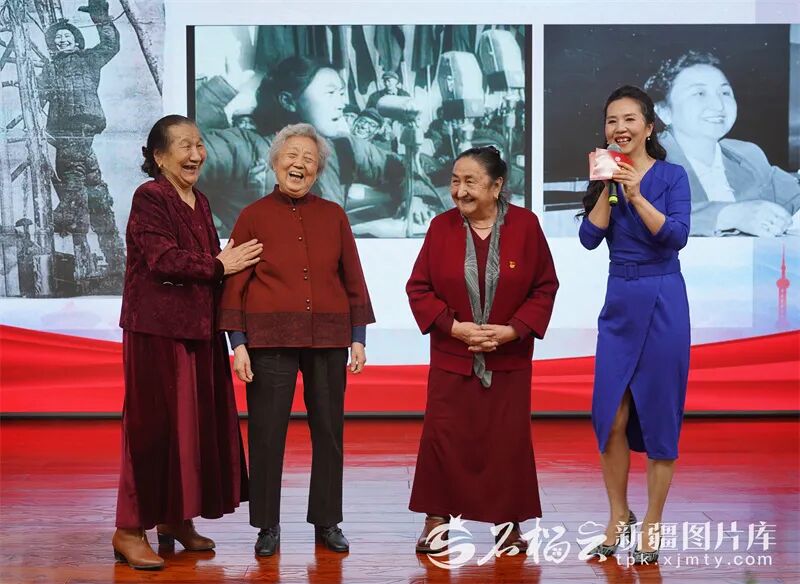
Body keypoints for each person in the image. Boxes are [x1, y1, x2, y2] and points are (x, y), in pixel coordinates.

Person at [218, 123, 375, 557]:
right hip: (268, 339)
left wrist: (358, 337)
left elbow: (353, 278)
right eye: (291, 155)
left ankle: (327, 521)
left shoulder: (334, 215)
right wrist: (238, 342)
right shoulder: (252, 215)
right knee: (266, 434)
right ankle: (267, 526)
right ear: (274, 162)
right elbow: (234, 284)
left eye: (309, 158)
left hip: (328, 336)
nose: (299, 164)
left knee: (329, 433)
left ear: (319, 170)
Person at [114, 115, 261, 570]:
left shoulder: (200, 200)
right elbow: (162, 259)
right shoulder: (150, 197)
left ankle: (175, 518)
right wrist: (220, 265)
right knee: (153, 430)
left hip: (198, 330)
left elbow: (213, 264)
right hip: (156, 330)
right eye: (184, 146)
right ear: (159, 157)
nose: (196, 154)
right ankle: (129, 530)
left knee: (191, 430)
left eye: (199, 144)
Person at [406, 145, 559, 554]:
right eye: (455, 181)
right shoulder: (440, 227)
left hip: (508, 357)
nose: (460, 191)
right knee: (443, 437)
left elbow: (545, 287)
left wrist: (512, 331)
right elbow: (418, 288)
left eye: (470, 182)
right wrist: (453, 327)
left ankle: (507, 522)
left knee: (506, 442)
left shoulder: (526, 226)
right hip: (452, 356)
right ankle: (436, 519)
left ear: (496, 186)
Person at [578, 86, 691, 565]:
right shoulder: (604, 173)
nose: (619, 128)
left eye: (628, 119)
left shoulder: (672, 175)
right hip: (620, 302)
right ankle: (618, 515)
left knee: (661, 414)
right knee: (610, 416)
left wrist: (636, 195)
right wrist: (608, 187)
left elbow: (675, 236)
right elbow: (589, 238)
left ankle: (653, 522)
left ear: (649, 126)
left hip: (663, 298)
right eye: (611, 121)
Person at [197, 56, 435, 234]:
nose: (341, 104)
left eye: (341, 93)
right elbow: (181, 157)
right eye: (330, 93)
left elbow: (402, 169)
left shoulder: (343, 148)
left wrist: (414, 197)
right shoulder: (243, 147)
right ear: (288, 101)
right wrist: (217, 92)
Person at [644, 50, 800, 236]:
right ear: (664, 111)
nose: (718, 105)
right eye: (700, 93)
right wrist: (729, 215)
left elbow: (794, 198)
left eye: (725, 92)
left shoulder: (747, 155)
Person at [38, 0, 126, 276]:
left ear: (77, 41)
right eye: (58, 38)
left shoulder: (88, 59)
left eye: (67, 36)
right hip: (63, 127)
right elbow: (37, 95)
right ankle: (116, 258)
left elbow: (110, 44)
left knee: (70, 168)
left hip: (82, 120)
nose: (62, 40)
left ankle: (68, 211)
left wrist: (99, 14)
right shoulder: (50, 68)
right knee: (92, 182)